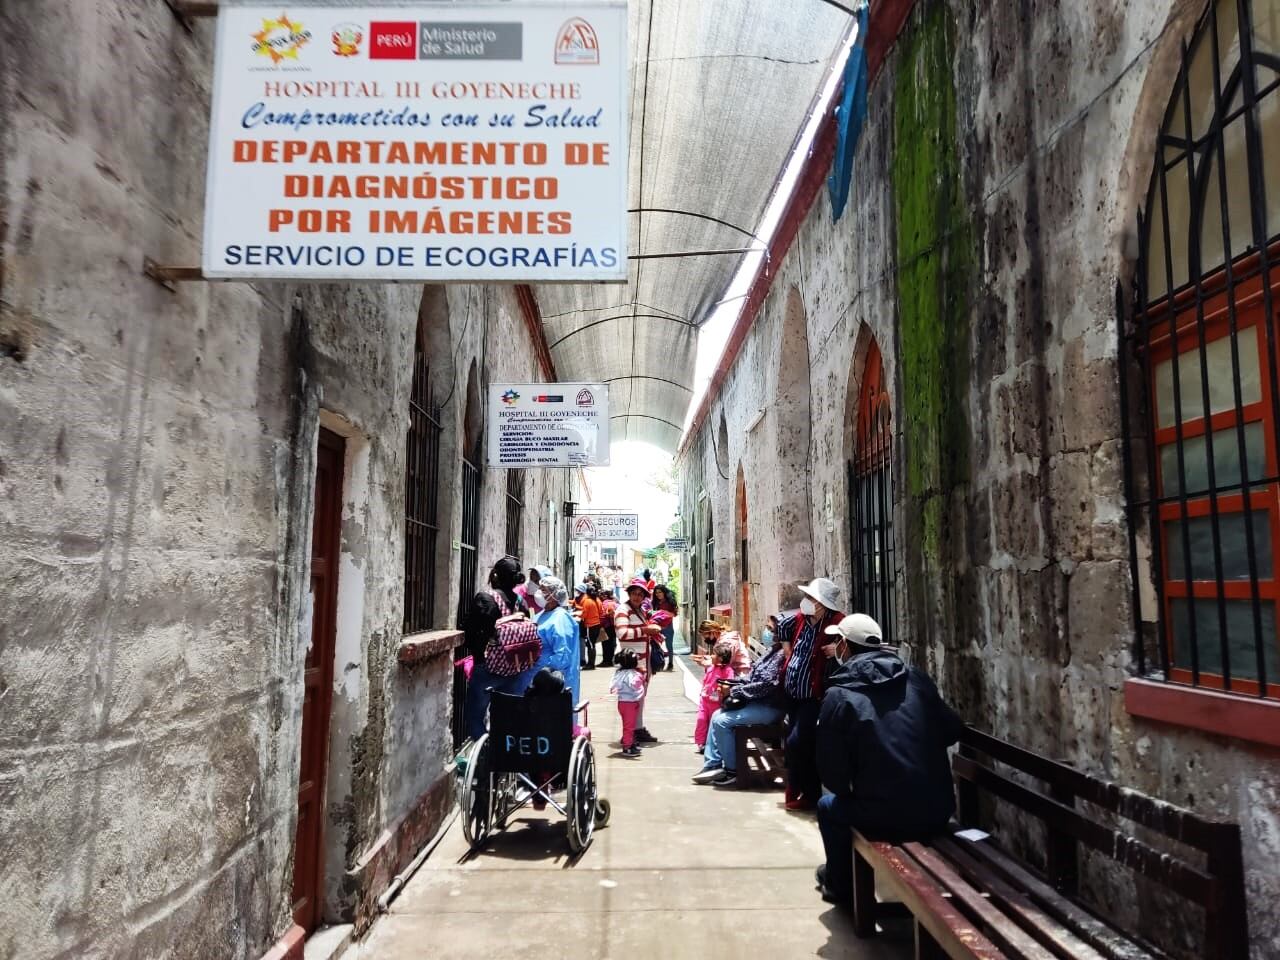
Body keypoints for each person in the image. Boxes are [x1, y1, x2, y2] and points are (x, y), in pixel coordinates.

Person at [814, 614, 965, 904]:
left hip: (880, 816)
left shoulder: (839, 695)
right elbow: (951, 729)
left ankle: (840, 885)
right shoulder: (916, 679)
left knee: (827, 807)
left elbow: (833, 777)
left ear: (844, 645)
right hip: (937, 809)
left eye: (837, 641)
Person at [692, 624, 787, 787]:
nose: (768, 632)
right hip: (757, 701)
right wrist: (731, 683)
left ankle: (732, 770)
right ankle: (713, 765)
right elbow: (751, 677)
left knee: (722, 721)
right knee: (716, 715)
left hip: (770, 706)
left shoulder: (781, 654)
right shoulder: (772, 651)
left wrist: (735, 690)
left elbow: (767, 685)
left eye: (771, 629)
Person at [778, 578, 845, 810]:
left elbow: (851, 647)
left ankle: (807, 793)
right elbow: (781, 625)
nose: (806, 602)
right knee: (797, 743)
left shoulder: (837, 622)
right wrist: (787, 649)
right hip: (793, 692)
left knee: (799, 742)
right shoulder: (801, 619)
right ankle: (801, 791)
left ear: (823, 604)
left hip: (814, 695)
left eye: (812, 599)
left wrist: (837, 650)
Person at [462, 557, 537, 740]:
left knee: (474, 715)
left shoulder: (486, 599)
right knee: (506, 717)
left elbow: (470, 632)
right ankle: (502, 756)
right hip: (514, 668)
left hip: (488, 667)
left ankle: (484, 754)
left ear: (495, 575)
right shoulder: (521, 602)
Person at [614, 579, 663, 745]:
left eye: (640, 594)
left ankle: (638, 728)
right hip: (631, 664)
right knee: (631, 700)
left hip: (643, 662)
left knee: (640, 698)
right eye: (634, 593)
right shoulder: (623, 610)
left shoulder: (640, 610)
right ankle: (629, 734)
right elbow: (622, 633)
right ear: (629, 594)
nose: (637, 596)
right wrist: (645, 630)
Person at [531, 576, 581, 706]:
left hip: (552, 682)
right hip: (537, 678)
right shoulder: (540, 615)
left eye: (543, 590)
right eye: (540, 589)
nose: (539, 593)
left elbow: (562, 656)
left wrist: (543, 668)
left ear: (554, 595)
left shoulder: (561, 619)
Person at [694, 641, 735, 751]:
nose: (711, 656)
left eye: (714, 654)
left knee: (713, 723)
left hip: (717, 703)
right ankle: (701, 743)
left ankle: (713, 743)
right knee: (701, 720)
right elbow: (706, 681)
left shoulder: (728, 670)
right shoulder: (711, 667)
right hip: (705, 700)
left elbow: (728, 683)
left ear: (720, 658)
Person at [610, 649, 646, 759]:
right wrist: (642, 674)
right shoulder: (633, 674)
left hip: (622, 702)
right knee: (629, 726)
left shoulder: (619, 672)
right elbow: (635, 684)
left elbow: (613, 686)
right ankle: (627, 747)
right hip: (630, 703)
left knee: (628, 725)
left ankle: (630, 742)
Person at [651, 584, 679, 671]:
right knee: (654, 645)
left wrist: (663, 612)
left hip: (668, 628)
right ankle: (657, 663)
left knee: (669, 646)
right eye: (656, 593)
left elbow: (674, 615)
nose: (658, 594)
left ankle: (670, 664)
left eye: (660, 592)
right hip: (657, 627)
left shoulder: (670, 602)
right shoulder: (655, 603)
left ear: (664, 592)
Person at [578, 585, 604, 670]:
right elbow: (601, 612)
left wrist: (578, 616)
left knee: (590, 645)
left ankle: (590, 664)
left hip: (590, 625)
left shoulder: (587, 601)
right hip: (597, 624)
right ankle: (591, 663)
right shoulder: (598, 600)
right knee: (592, 644)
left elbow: (584, 614)